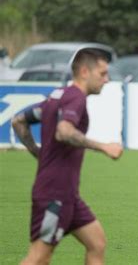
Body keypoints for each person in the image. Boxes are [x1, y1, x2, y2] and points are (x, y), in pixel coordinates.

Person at [12, 48, 123, 264]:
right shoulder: (76, 99)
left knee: (97, 243)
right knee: (38, 257)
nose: (106, 80)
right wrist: (103, 147)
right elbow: (64, 131)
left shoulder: (58, 96)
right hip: (54, 195)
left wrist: (38, 152)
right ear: (84, 71)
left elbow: (18, 121)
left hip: (69, 195)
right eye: (102, 74)